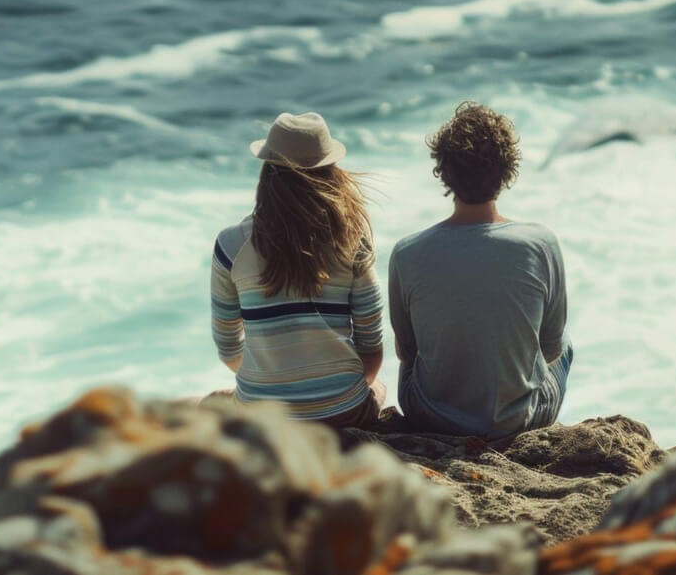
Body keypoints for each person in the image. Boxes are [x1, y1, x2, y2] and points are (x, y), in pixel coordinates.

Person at [388, 102, 572, 439]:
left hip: (430, 416)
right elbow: (552, 349)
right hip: (515, 421)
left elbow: (407, 351)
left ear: (443, 171)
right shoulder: (541, 243)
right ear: (506, 171)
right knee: (566, 344)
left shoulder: (406, 251)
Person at [208, 111, 386, 429]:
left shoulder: (230, 244)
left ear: (267, 172)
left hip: (263, 418)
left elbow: (228, 347)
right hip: (342, 414)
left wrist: (271, 383)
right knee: (380, 388)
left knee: (204, 404)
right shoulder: (352, 241)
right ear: (331, 174)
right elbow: (371, 346)